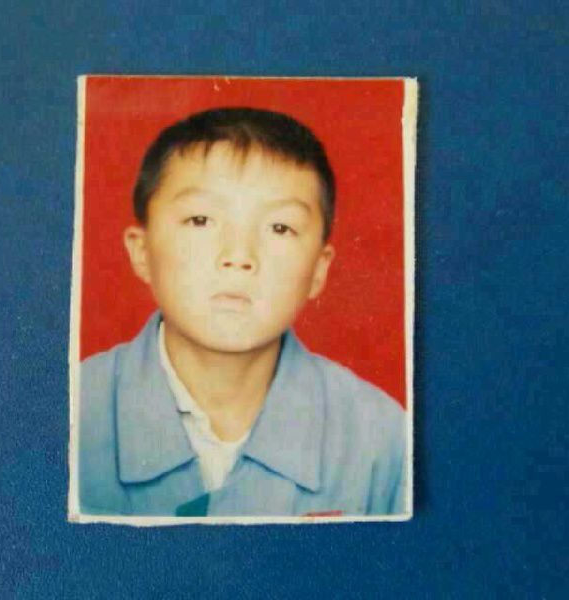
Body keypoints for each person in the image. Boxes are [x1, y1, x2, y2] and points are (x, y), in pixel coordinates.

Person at [76, 107, 407, 517]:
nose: (238, 256)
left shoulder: (383, 440)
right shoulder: (72, 411)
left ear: (319, 271)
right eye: (201, 220)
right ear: (141, 251)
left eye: (280, 228)